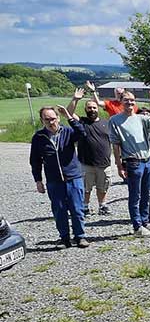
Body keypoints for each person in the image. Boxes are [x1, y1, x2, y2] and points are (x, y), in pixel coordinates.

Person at [29, 105, 89, 248]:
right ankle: (64, 238)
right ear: (42, 120)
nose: (51, 122)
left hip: (73, 178)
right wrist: (38, 180)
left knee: (77, 209)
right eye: (47, 119)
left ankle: (80, 236)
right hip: (54, 181)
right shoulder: (38, 137)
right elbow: (35, 160)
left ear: (58, 118)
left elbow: (82, 133)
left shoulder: (68, 132)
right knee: (59, 210)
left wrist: (69, 116)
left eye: (53, 119)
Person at [109, 89, 150, 238]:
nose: (130, 102)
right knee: (135, 195)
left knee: (147, 194)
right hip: (133, 162)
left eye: (132, 100)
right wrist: (119, 166)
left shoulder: (141, 118)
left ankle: (145, 222)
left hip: (147, 161)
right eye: (126, 100)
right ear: (121, 101)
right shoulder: (115, 120)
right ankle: (137, 226)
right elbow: (115, 145)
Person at [68, 84, 113, 216]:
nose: (92, 110)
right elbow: (69, 113)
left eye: (94, 107)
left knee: (103, 186)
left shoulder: (106, 122)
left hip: (104, 163)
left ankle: (102, 206)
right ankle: (85, 207)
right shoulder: (82, 122)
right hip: (86, 163)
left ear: (97, 109)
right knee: (86, 188)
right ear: (85, 109)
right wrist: (75, 99)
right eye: (89, 108)